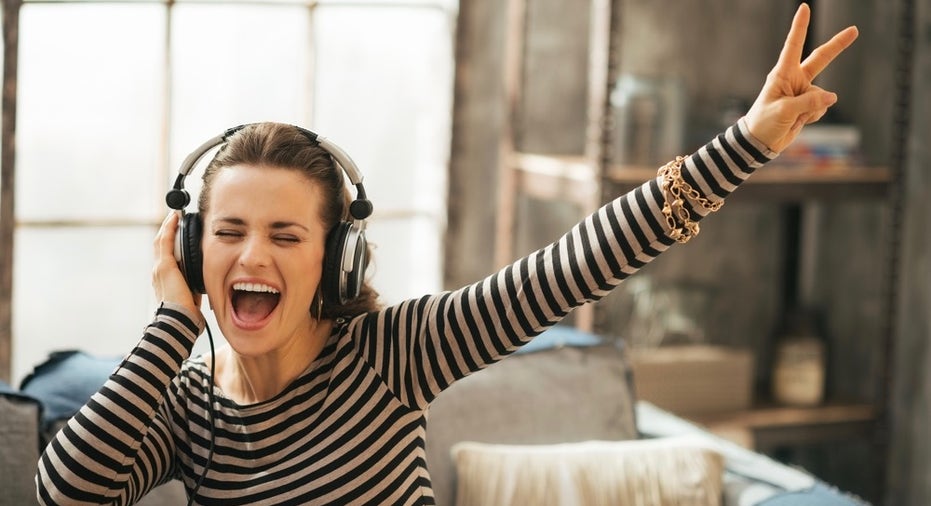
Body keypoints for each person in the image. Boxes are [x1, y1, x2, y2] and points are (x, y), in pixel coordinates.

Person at [36, 5, 858, 505]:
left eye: (287, 235)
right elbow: (65, 492)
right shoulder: (184, 409)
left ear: (335, 261)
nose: (254, 254)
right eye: (226, 232)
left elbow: (576, 263)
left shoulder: (395, 353)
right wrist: (171, 325)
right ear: (188, 246)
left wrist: (743, 145)